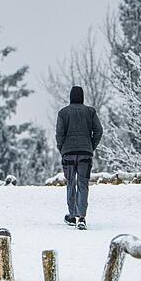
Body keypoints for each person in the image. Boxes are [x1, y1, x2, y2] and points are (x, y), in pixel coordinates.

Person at [55, 86, 103, 230]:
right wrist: (90, 146)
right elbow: (99, 131)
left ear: (71, 97)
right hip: (85, 154)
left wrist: (62, 149)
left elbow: (59, 134)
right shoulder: (90, 112)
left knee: (71, 183)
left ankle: (72, 215)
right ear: (82, 96)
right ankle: (82, 217)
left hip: (68, 154)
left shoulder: (63, 113)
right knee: (83, 184)